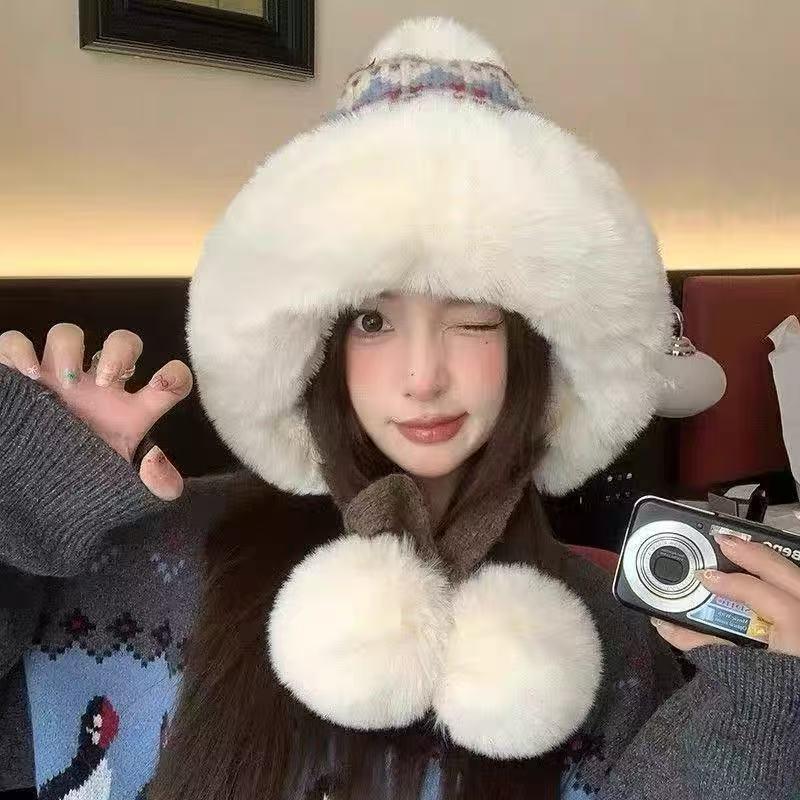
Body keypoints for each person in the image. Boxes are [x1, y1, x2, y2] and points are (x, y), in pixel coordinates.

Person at [1, 15, 798, 800]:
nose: (423, 378)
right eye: (372, 322)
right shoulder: (154, 559)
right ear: (317, 345)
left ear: (533, 348)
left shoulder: (610, 648)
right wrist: (23, 510)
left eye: (473, 318)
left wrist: (764, 710)